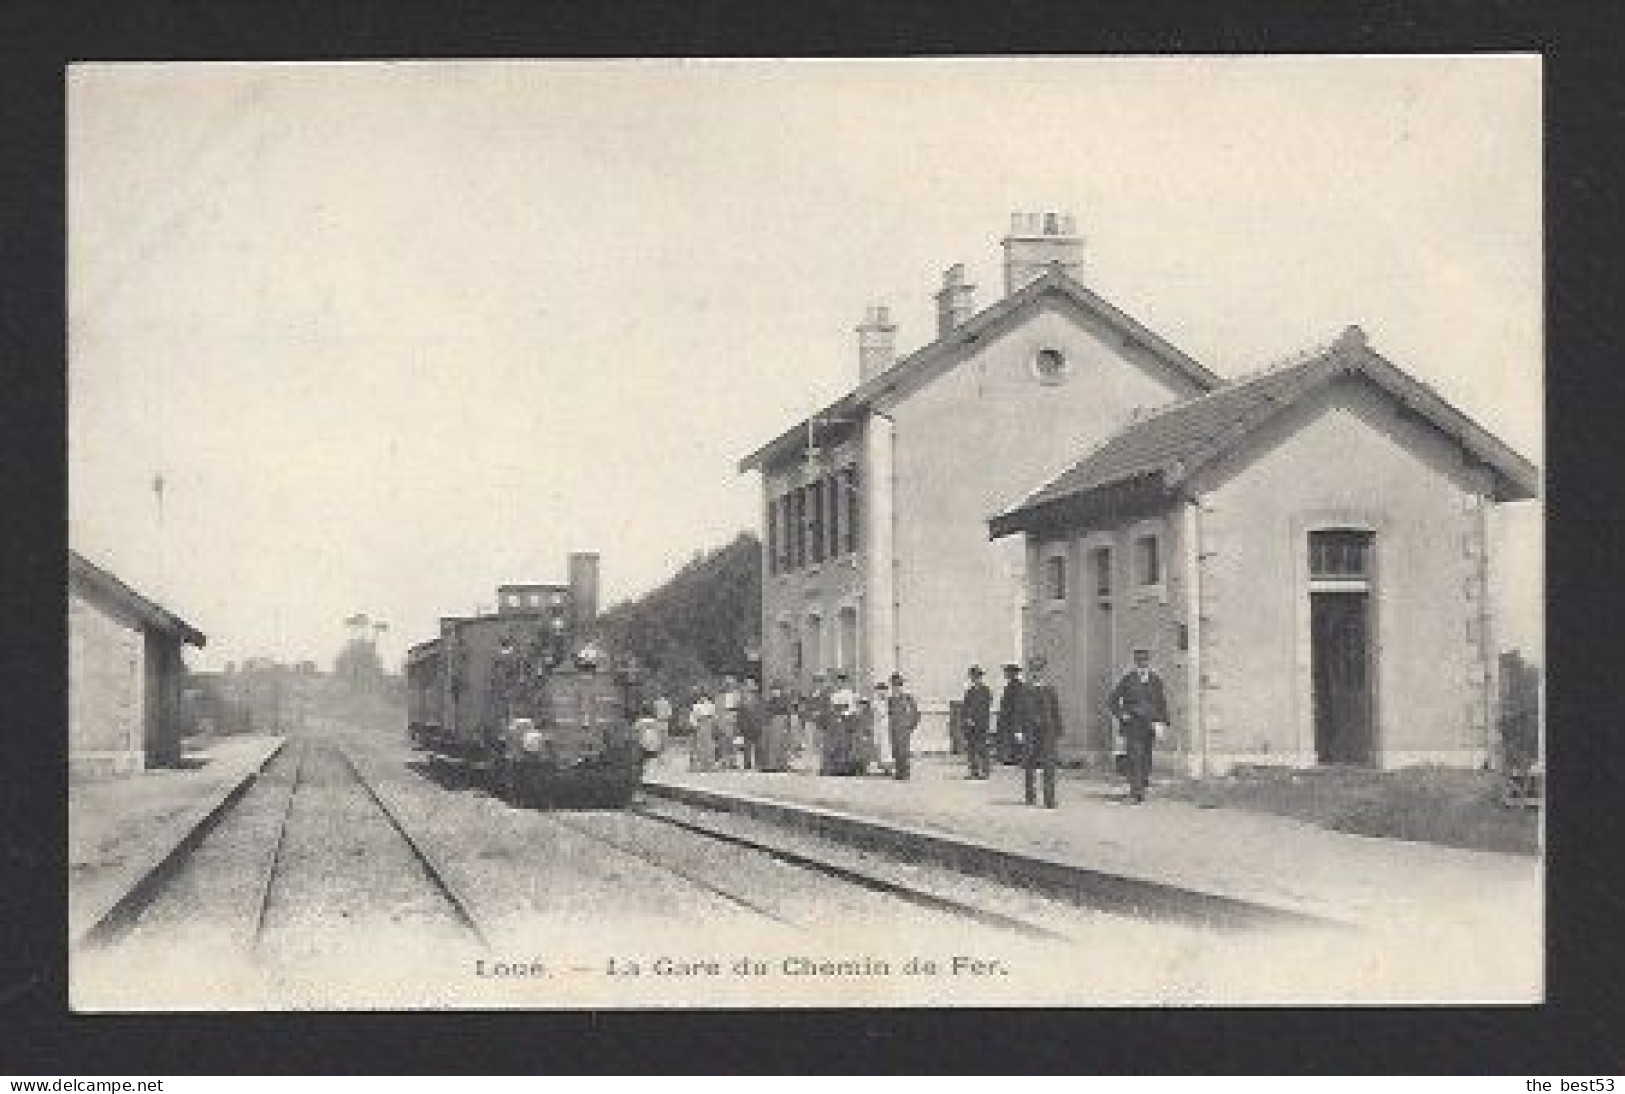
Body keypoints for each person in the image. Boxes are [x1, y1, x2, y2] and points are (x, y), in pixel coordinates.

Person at [1108, 647, 1169, 803]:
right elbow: (1112, 700)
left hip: (1149, 725)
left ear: (1148, 662)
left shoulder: (1155, 680)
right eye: (1139, 661)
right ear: (1135, 662)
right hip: (1133, 725)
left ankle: (1141, 788)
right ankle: (1135, 793)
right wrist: (1122, 714)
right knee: (1134, 757)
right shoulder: (1128, 679)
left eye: (1144, 661)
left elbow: (1161, 703)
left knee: (1146, 758)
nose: (1142, 664)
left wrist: (1163, 722)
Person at [1022, 655, 1063, 808]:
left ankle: (1049, 799)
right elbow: (1019, 711)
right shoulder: (1025, 689)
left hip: (1047, 732)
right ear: (1030, 671)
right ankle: (1030, 796)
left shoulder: (1050, 689)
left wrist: (1058, 729)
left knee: (1049, 765)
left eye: (1039, 670)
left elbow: (1055, 710)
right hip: (1030, 731)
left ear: (1043, 671)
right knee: (1030, 764)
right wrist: (1019, 731)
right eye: (1033, 670)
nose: (1036, 673)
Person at [884, 672, 921, 781]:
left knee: (903, 750)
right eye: (894, 685)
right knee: (895, 750)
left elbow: (916, 713)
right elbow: (888, 714)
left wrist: (911, 726)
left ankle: (905, 772)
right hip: (893, 728)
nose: (896, 687)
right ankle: (899, 771)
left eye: (898, 685)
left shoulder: (907, 698)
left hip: (904, 728)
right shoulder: (890, 700)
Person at [823, 672, 861, 775]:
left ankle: (845, 768)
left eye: (841, 681)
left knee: (846, 744)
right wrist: (835, 715)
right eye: (837, 682)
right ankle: (836, 767)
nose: (839, 684)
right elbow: (832, 708)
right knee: (836, 743)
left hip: (846, 720)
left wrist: (844, 714)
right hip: (836, 721)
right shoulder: (834, 695)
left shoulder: (850, 694)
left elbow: (852, 708)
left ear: (845, 682)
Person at [961, 665, 993, 780]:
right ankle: (973, 771)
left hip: (981, 725)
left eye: (977, 677)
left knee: (982, 748)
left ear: (980, 677)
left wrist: (976, 720)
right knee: (971, 748)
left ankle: (984, 771)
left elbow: (985, 708)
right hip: (970, 726)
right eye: (973, 677)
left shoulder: (986, 691)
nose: (975, 679)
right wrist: (967, 719)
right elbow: (965, 708)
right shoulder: (969, 692)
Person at [995, 663, 1025, 765]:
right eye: (1006, 672)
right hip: (1008, 717)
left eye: (1007, 672)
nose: (1006, 674)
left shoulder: (1016, 686)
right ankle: (1011, 757)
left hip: (1012, 717)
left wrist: (1014, 718)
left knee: (1013, 737)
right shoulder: (1010, 685)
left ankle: (1015, 758)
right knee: (1009, 737)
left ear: (1013, 673)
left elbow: (1017, 704)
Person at [759, 682, 792, 772]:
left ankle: (779, 765)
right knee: (771, 744)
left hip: (779, 723)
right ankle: (771, 765)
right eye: (773, 690)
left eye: (776, 690)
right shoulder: (771, 701)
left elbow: (788, 714)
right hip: (772, 724)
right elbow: (766, 712)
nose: (775, 692)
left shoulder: (784, 700)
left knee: (779, 744)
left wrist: (787, 726)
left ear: (780, 691)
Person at [687, 689, 719, 772]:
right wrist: (694, 725)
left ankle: (710, 764)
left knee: (709, 744)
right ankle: (701, 764)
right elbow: (693, 716)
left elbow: (714, 715)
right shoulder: (696, 706)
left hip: (708, 724)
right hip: (700, 724)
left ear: (706, 697)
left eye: (704, 697)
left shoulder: (711, 705)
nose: (702, 699)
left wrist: (714, 724)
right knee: (700, 744)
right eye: (701, 697)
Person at [737, 679, 763, 770]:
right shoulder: (742, 700)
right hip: (747, 726)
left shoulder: (758, 699)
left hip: (756, 724)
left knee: (758, 745)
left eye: (751, 686)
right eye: (747, 686)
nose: (749, 689)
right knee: (747, 745)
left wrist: (760, 723)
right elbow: (740, 714)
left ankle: (759, 763)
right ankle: (747, 764)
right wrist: (740, 726)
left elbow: (761, 712)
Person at [716, 675, 741, 769]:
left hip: (733, 718)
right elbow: (717, 709)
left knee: (734, 741)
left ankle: (733, 761)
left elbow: (740, 708)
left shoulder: (737, 695)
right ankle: (724, 761)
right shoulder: (720, 696)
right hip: (723, 718)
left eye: (731, 683)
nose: (729, 686)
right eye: (727, 684)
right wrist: (718, 720)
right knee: (723, 740)